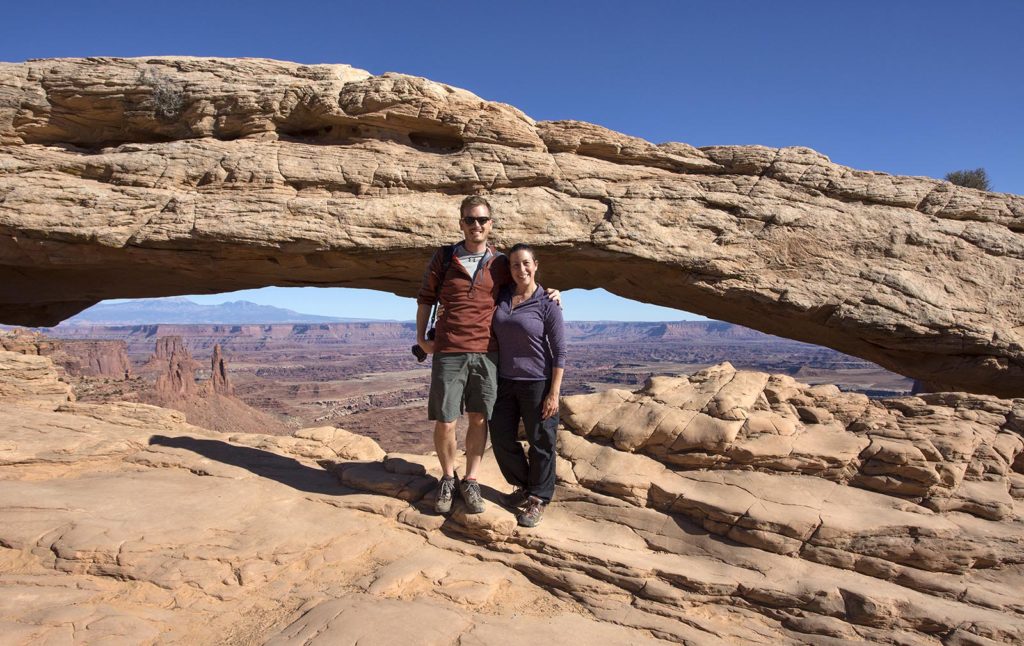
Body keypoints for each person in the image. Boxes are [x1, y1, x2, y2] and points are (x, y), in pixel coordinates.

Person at [415, 196, 558, 515]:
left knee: (479, 418)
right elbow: (425, 298)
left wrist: (550, 292)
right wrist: (421, 339)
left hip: (486, 352)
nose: (476, 225)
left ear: (490, 224)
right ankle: (448, 478)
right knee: (446, 420)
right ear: (461, 223)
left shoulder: (499, 263)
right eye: (469, 220)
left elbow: (526, 283)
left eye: (481, 220)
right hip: (449, 351)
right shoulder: (444, 258)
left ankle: (472, 479)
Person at [488, 243, 565, 528]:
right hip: (505, 381)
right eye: (514, 265)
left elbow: (560, 352)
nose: (520, 269)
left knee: (541, 442)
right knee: (500, 437)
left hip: (538, 382)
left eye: (525, 263)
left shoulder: (548, 303)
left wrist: (554, 392)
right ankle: (524, 484)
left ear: (535, 265)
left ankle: (538, 498)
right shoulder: (504, 296)